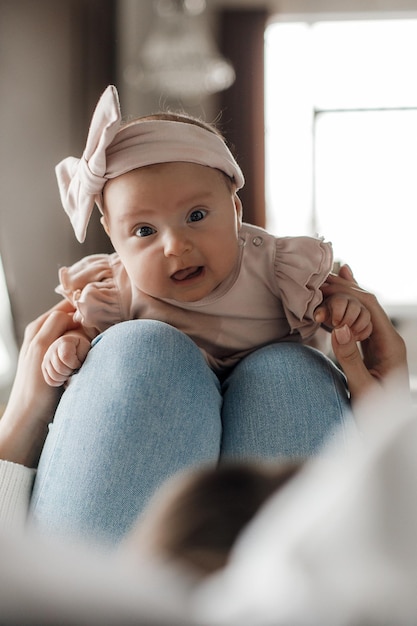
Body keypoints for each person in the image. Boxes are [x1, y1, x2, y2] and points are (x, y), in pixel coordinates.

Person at [41, 84, 371, 387]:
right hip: (175, 397)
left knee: (293, 370)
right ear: (112, 237)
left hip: (274, 389)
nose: (175, 246)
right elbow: (88, 334)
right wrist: (72, 346)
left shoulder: (276, 267)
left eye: (196, 216)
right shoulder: (118, 291)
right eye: (144, 231)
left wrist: (343, 310)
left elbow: (325, 312)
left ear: (236, 211)